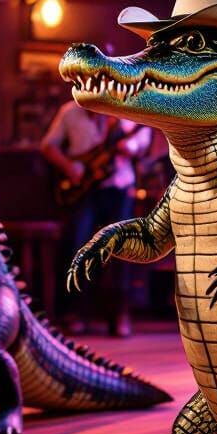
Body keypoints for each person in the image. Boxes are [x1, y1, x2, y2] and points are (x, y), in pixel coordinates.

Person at [41, 101, 151, 337]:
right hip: (84, 190)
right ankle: (75, 312)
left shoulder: (128, 109)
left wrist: (129, 147)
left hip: (119, 186)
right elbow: (48, 146)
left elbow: (142, 143)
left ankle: (120, 314)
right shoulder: (69, 111)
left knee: (122, 248)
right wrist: (70, 167)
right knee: (78, 245)